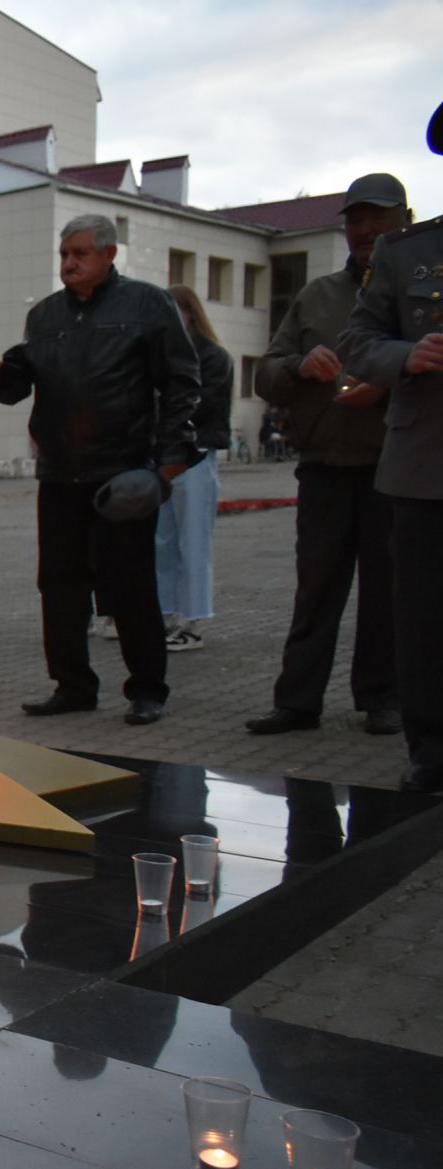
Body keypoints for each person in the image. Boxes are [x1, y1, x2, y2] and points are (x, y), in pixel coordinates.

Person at [0, 213, 200, 726]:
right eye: (63, 255)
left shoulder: (147, 305)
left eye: (79, 254)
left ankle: (147, 689)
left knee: (131, 586)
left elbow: (182, 380)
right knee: (59, 584)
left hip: (121, 473)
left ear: (109, 255)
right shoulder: (45, 317)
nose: (69, 263)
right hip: (59, 474)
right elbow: (16, 386)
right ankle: (72, 686)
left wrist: (170, 457)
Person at [249, 173, 409, 740]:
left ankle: (382, 698)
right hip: (323, 467)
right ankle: (297, 702)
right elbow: (267, 374)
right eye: (356, 220)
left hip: (395, 468)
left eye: (378, 218)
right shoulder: (316, 295)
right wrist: (298, 366)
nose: (365, 229)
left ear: (404, 222)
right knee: (316, 588)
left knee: (386, 591)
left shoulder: (419, 292)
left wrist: (385, 382)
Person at [339, 104, 443, 791]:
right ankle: (431, 750)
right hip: (425, 463)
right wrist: (410, 355)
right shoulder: (409, 253)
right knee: (425, 617)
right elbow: (358, 343)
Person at [157, 285, 232, 652]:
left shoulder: (213, 356)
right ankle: (168, 613)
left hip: (197, 454)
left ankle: (194, 621)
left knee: (194, 539)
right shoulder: (163, 356)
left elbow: (206, 404)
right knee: (163, 541)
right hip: (164, 457)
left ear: (190, 313)